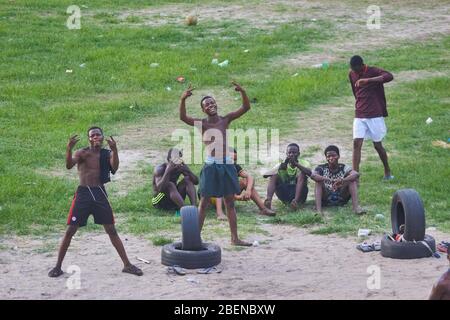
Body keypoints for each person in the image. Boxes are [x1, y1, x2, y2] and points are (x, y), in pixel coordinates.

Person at [48, 127, 143, 277]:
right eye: (92, 135)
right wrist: (68, 149)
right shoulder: (82, 153)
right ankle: (57, 266)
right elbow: (68, 165)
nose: (96, 137)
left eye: (98, 134)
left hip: (99, 193)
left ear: (102, 137)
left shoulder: (107, 153)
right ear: (89, 139)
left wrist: (115, 150)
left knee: (111, 230)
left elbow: (115, 167)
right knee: (70, 231)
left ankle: (127, 265)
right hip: (83, 194)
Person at [179, 82, 251, 246]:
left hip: (227, 165)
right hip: (211, 166)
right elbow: (183, 118)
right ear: (203, 109)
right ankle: (195, 239)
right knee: (203, 203)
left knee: (229, 202)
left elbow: (245, 108)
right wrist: (183, 99)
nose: (211, 105)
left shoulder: (225, 119)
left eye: (212, 102)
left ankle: (235, 238)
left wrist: (243, 92)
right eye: (207, 104)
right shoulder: (202, 124)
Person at [349, 55, 394, 180]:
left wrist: (368, 80)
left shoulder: (373, 71)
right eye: (352, 69)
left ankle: (387, 170)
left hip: (374, 114)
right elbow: (355, 91)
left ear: (362, 65)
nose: (354, 72)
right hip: (359, 114)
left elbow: (389, 76)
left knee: (377, 145)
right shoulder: (351, 73)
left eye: (356, 69)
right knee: (356, 143)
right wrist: (359, 103)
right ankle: (354, 176)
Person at [214, 148, 275, 219]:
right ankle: (220, 213)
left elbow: (250, 177)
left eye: (235, 160)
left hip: (229, 195)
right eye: (231, 159)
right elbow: (221, 188)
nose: (233, 162)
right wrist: (238, 197)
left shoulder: (234, 166)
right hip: (215, 197)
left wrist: (248, 190)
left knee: (246, 181)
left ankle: (263, 209)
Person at [311, 145, 365, 215]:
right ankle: (319, 211)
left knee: (352, 180)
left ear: (339, 156)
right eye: (328, 156)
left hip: (341, 196)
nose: (331, 158)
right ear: (326, 158)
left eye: (334, 155)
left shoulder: (344, 167)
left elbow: (356, 174)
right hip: (326, 197)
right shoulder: (321, 167)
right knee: (318, 182)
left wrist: (343, 180)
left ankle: (356, 208)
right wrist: (328, 179)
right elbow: (313, 175)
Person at [264, 143, 311, 210]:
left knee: (302, 174)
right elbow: (265, 175)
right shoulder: (282, 164)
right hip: (285, 194)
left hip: (300, 195)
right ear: (286, 154)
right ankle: (268, 201)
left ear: (299, 154)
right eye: (289, 152)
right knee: (273, 174)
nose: (291, 154)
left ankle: (295, 202)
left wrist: (296, 164)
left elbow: (309, 173)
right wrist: (280, 167)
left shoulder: (304, 163)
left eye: (294, 153)